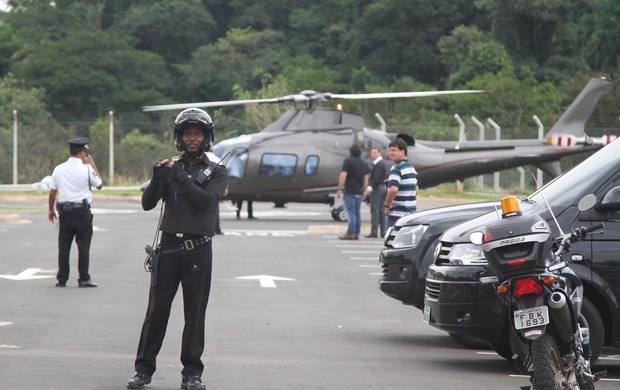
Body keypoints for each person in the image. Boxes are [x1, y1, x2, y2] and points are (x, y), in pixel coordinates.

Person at [127, 108, 228, 390]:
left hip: (198, 249)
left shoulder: (217, 171)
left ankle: (192, 374)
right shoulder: (170, 168)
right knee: (156, 311)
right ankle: (143, 371)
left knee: (194, 314)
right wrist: (158, 177)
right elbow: (148, 204)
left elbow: (206, 202)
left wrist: (181, 178)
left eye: (197, 133)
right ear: (179, 138)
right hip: (168, 248)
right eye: (187, 134)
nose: (192, 138)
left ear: (206, 137)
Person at [48, 137, 103, 288]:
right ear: (82, 152)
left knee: (64, 246)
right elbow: (99, 185)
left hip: (65, 212)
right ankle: (84, 278)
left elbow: (52, 192)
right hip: (82, 212)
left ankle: (62, 278)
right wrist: (92, 164)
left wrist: (50, 210)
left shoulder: (59, 169)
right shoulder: (87, 169)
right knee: (83, 247)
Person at [337, 143, 369, 240]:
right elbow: (366, 177)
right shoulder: (364, 163)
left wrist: (340, 188)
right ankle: (356, 232)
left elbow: (343, 175)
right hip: (359, 191)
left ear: (350, 151)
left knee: (350, 212)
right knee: (357, 212)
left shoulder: (348, 161)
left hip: (350, 190)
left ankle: (350, 232)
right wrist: (365, 189)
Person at [384, 139, 417, 228]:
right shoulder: (411, 168)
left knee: (392, 241)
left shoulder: (397, 168)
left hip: (397, 216)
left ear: (402, 151)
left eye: (394, 150)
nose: (391, 153)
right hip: (410, 215)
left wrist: (387, 205)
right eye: (390, 150)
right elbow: (416, 189)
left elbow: (393, 190)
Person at [363, 147, 389, 238]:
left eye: (374, 152)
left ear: (379, 153)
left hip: (378, 188)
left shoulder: (378, 164)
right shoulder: (382, 163)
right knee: (381, 210)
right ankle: (383, 232)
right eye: (372, 152)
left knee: (375, 210)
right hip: (383, 188)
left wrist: (369, 188)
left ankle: (374, 232)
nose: (372, 154)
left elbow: (376, 179)